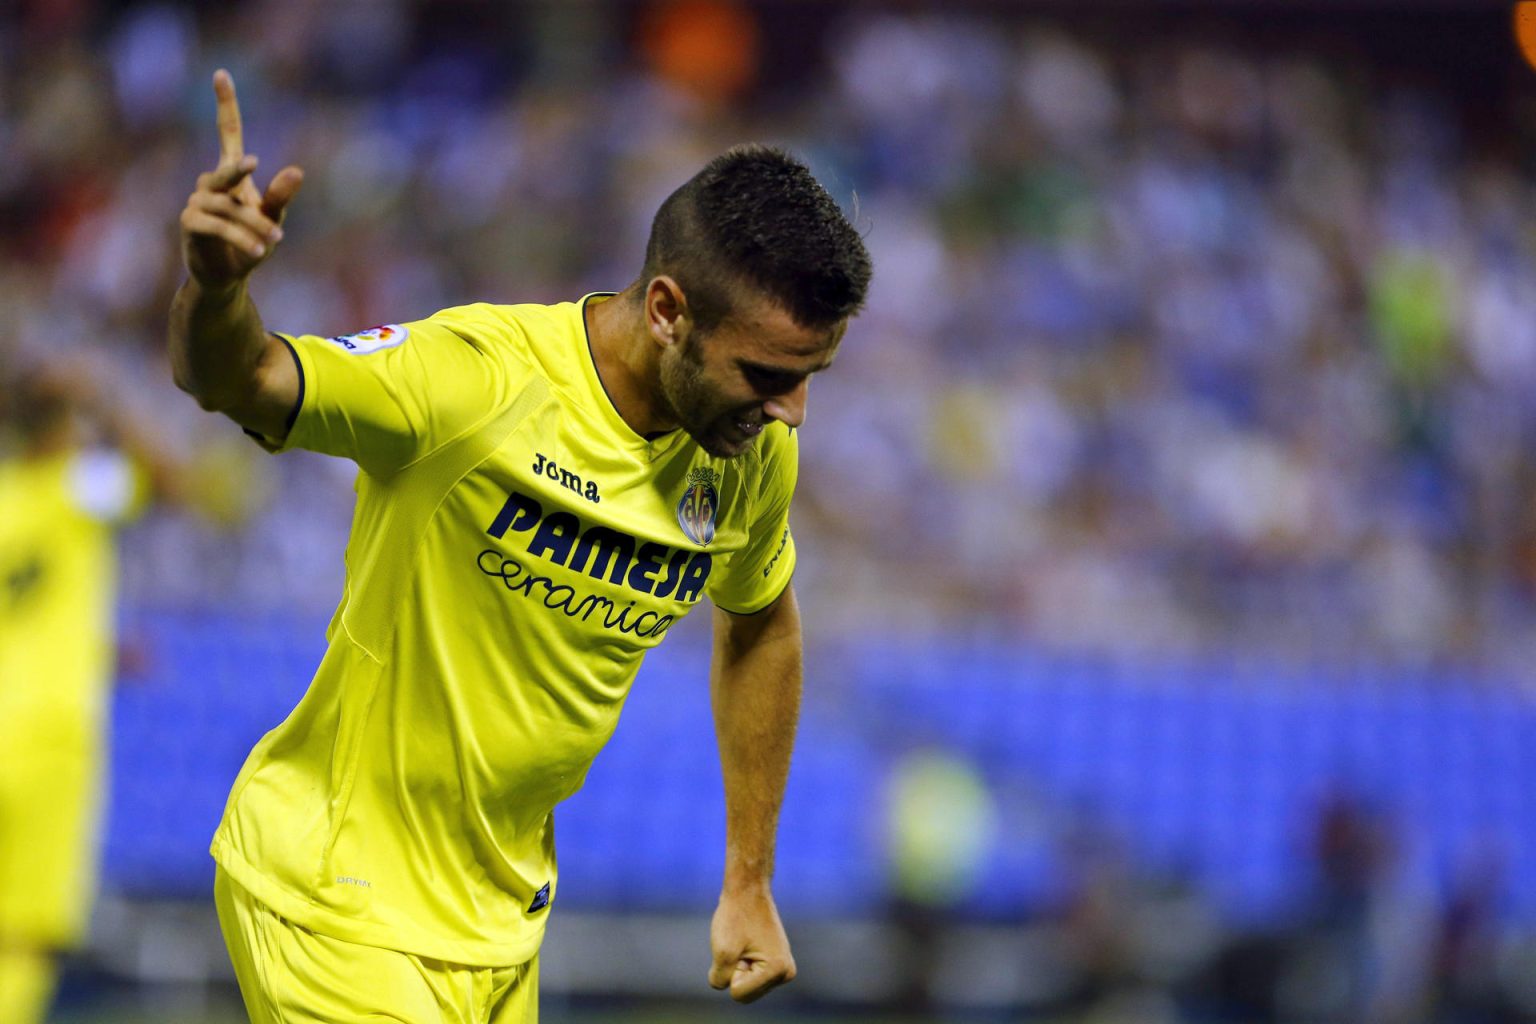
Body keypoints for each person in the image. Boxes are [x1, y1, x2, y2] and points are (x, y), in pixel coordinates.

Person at [168, 69, 871, 1022]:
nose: (792, 410)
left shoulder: (745, 454)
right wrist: (215, 288)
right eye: (769, 374)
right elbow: (242, 376)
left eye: (811, 376)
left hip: (500, 927)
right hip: (334, 898)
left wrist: (749, 877)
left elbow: (761, 625)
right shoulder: (478, 383)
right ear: (668, 311)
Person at [0, 360, 184, 1024]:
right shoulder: (78, 487)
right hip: (49, 737)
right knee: (27, 932)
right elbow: (173, 482)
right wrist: (105, 397)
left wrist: (98, 648)